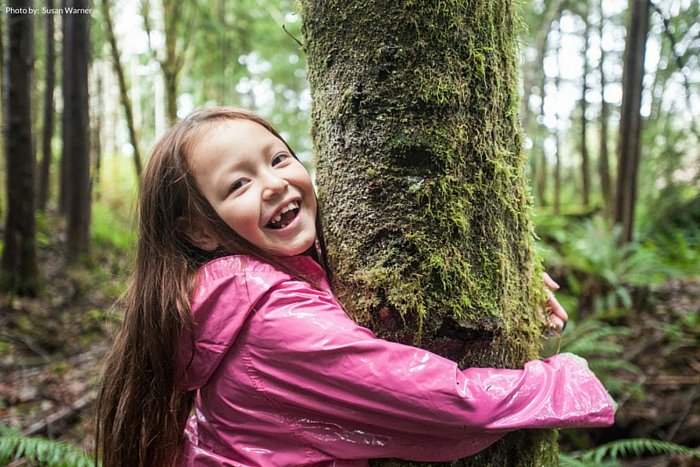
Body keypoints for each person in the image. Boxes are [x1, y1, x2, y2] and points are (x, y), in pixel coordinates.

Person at [95, 107, 614, 467]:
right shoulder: (271, 323)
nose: (274, 183)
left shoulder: (239, 288)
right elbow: (436, 402)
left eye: (277, 159)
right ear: (200, 230)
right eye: (238, 184)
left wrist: (514, 297)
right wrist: (560, 381)